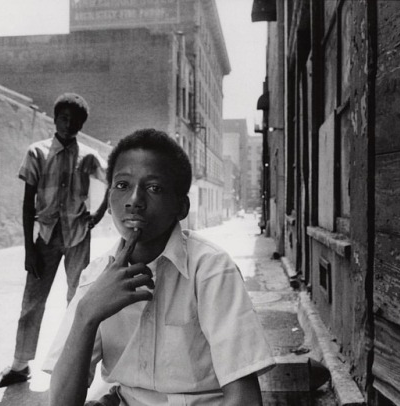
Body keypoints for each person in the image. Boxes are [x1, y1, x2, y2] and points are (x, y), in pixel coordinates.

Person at [43, 129, 275, 405]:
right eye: (122, 185)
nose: (134, 201)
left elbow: (244, 399)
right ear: (108, 202)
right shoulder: (96, 276)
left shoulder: (211, 269)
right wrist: (87, 314)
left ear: (181, 207)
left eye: (154, 188)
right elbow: (61, 402)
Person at [0, 93, 108, 390]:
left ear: (82, 123)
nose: (69, 124)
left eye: (76, 120)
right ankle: (19, 365)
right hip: (46, 237)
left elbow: (112, 180)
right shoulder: (37, 152)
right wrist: (29, 249)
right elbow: (28, 204)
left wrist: (97, 215)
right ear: (55, 119)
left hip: (78, 236)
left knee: (77, 299)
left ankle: (69, 362)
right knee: (32, 302)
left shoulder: (88, 156)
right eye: (64, 118)